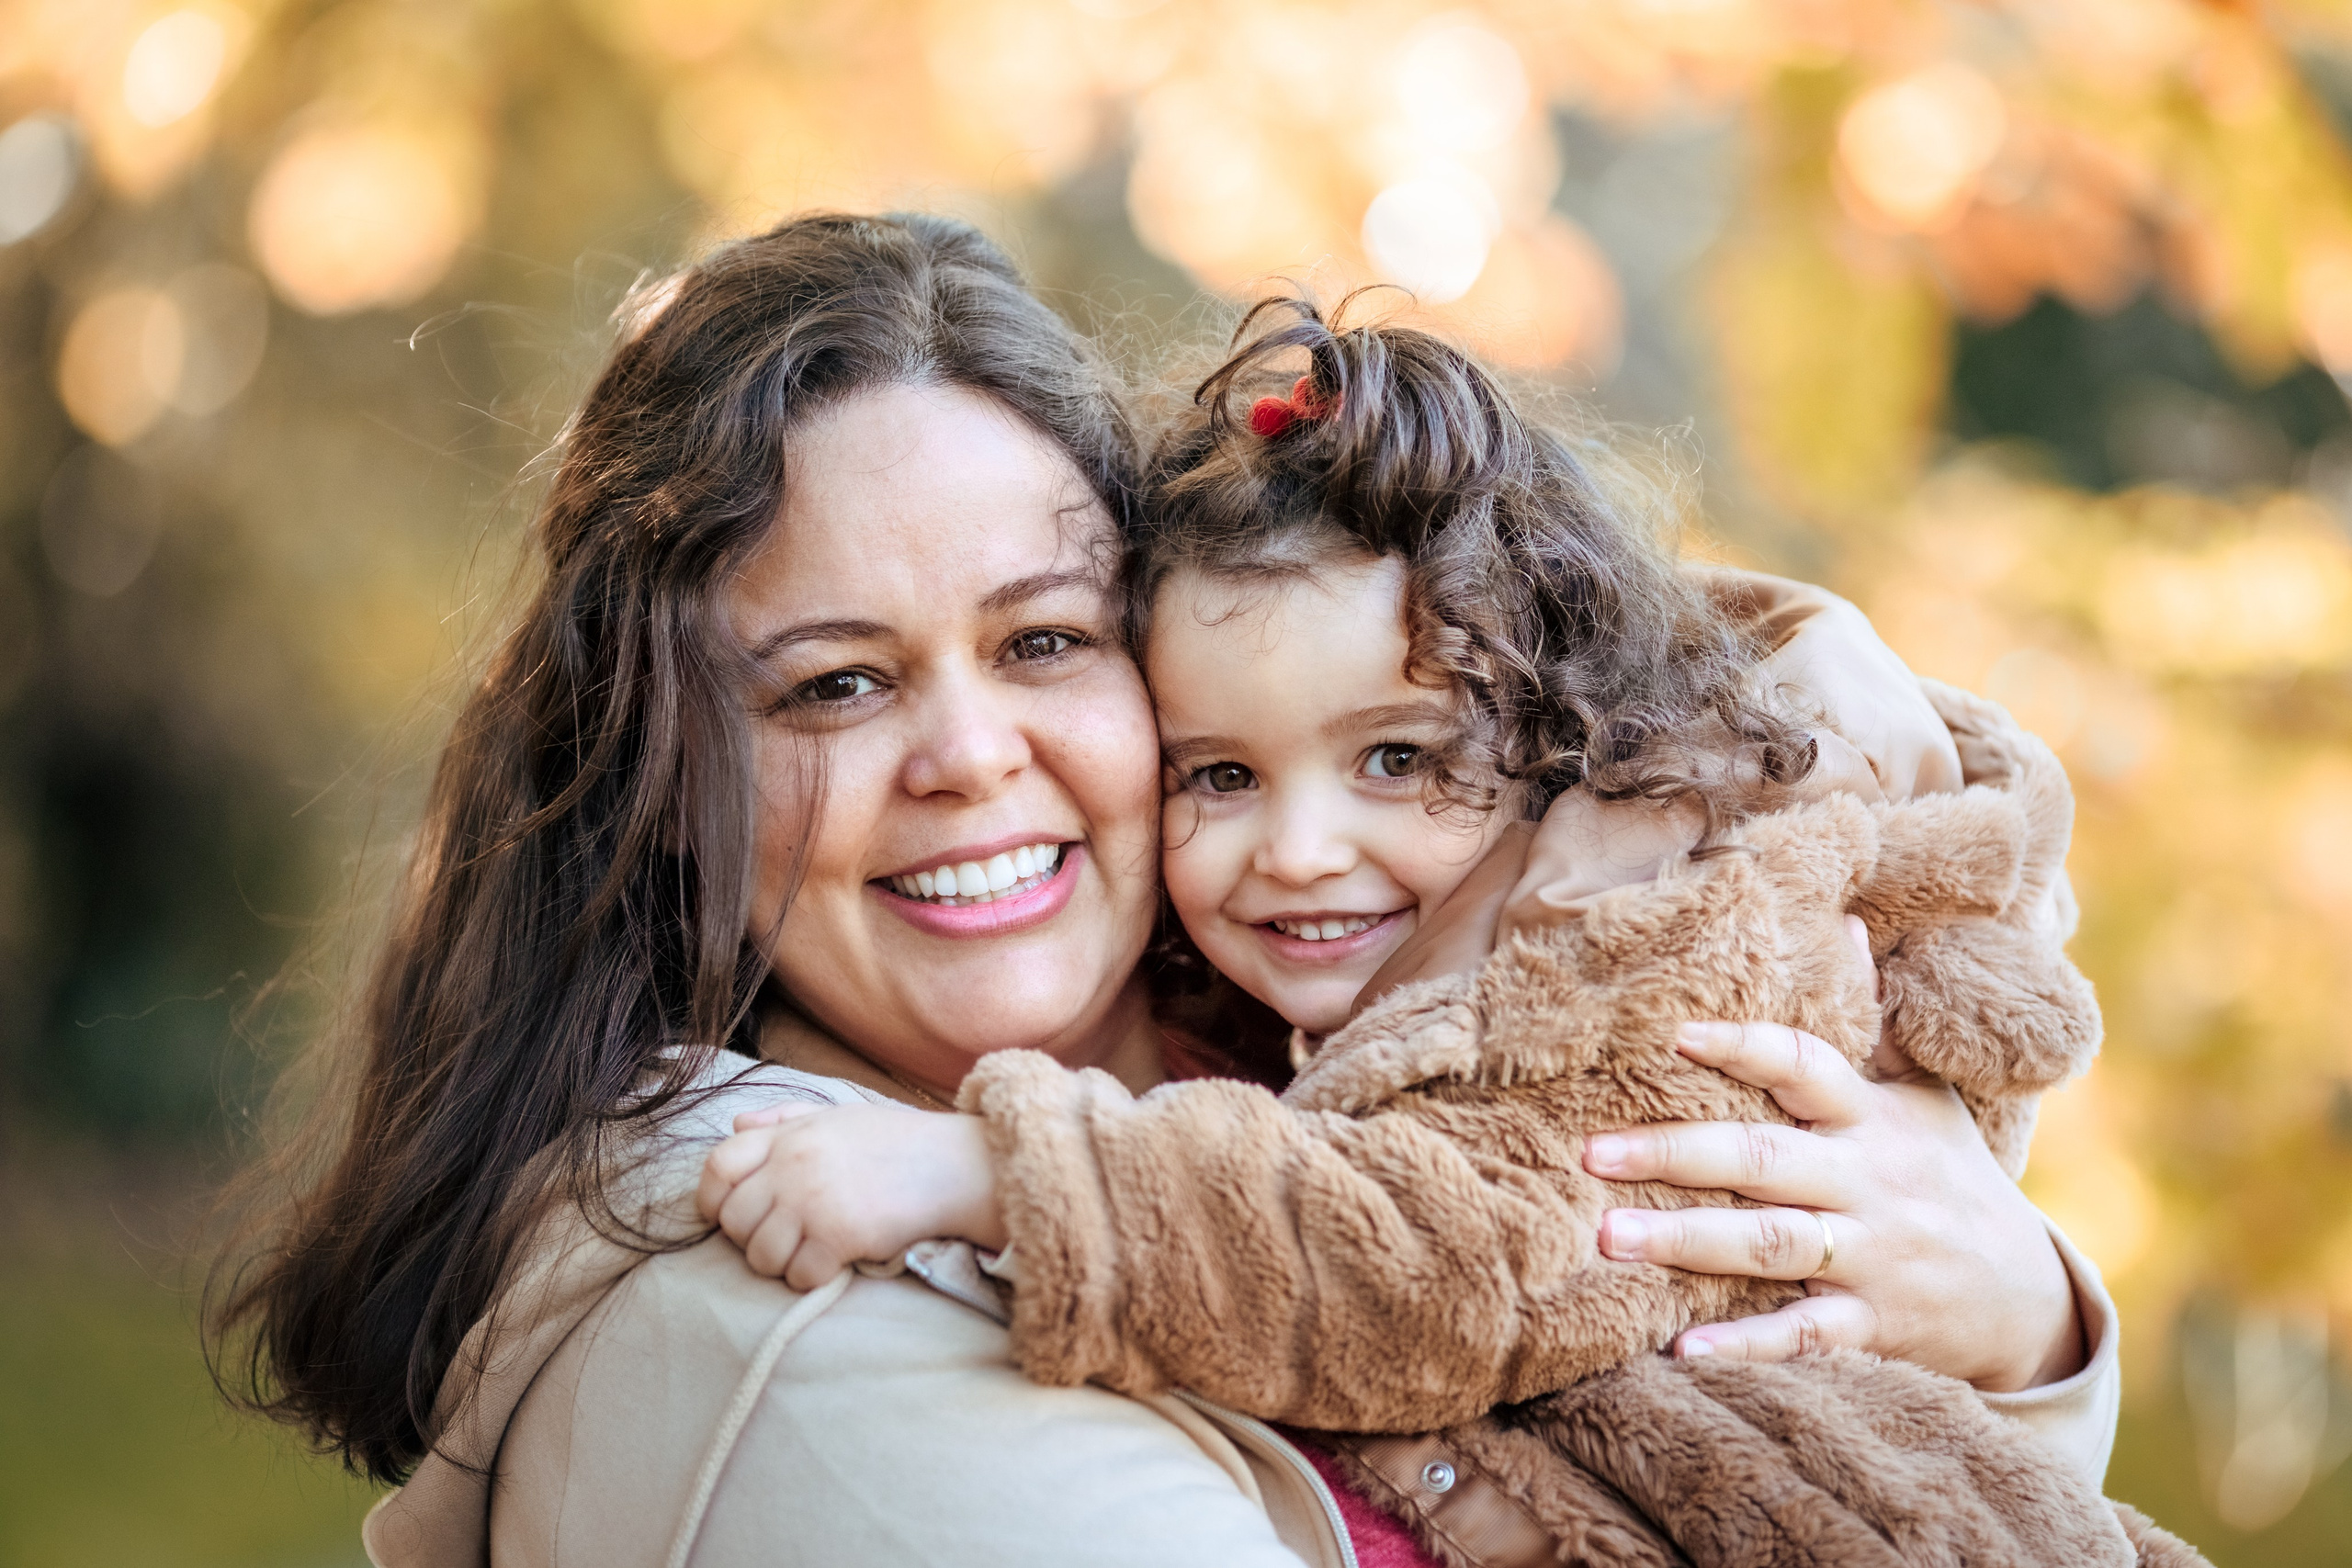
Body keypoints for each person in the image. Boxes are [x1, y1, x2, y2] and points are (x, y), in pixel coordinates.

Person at [210, 213, 2119, 1568]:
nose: (966, 755)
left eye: (1041, 641)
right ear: (655, 771)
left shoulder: (1326, 1037)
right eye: (837, 682)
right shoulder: (781, 1308)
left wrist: (2012, 1316)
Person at [690, 299, 2183, 1564]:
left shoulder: (1597, 979)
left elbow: (1429, 1260)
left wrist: (994, 1169)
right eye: (1219, 773)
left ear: (1558, 740)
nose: (1299, 851)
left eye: (1398, 759)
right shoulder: (1321, 1009)